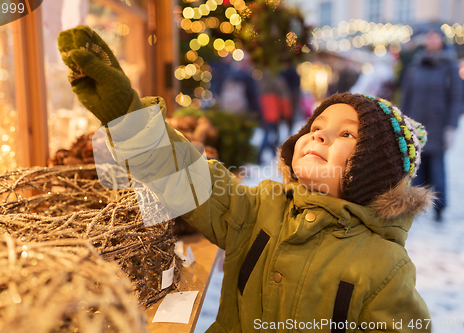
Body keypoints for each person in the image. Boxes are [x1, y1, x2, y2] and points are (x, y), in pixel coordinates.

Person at [58, 26, 433, 332]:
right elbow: (185, 175)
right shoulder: (259, 209)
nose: (319, 135)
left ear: (375, 169)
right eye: (316, 126)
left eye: (347, 134)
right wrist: (126, 113)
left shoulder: (385, 267)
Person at [401, 29, 463, 221]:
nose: (431, 40)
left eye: (435, 37)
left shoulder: (450, 66)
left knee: (437, 168)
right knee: (416, 167)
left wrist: (451, 126)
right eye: (429, 37)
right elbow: (407, 95)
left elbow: (456, 98)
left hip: (438, 124)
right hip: (416, 123)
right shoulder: (416, 65)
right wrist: (402, 121)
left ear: (442, 41)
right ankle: (415, 206)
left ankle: (440, 207)